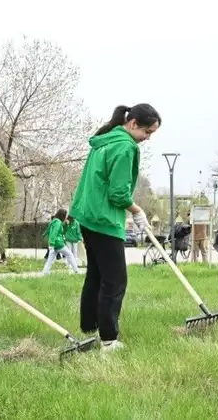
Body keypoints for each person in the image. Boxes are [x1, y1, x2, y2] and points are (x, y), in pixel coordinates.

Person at [69, 103, 161, 352]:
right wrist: (137, 210)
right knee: (115, 280)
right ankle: (109, 339)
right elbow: (118, 193)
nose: (147, 138)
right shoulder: (125, 146)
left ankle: (89, 328)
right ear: (133, 124)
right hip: (104, 219)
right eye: (147, 132)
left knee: (96, 275)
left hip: (87, 215)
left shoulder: (104, 140)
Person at [41, 209, 80, 275]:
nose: (66, 217)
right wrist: (52, 243)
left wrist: (66, 225)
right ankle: (76, 270)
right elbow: (54, 233)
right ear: (62, 215)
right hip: (58, 243)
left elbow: (62, 232)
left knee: (50, 259)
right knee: (70, 254)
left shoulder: (54, 221)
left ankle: (45, 272)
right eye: (65, 215)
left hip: (54, 244)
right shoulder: (58, 223)